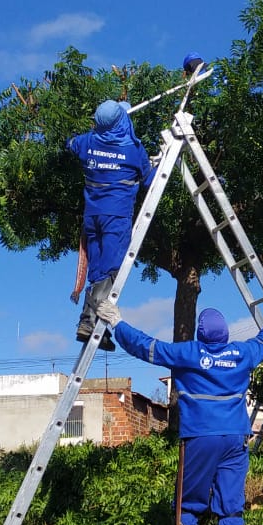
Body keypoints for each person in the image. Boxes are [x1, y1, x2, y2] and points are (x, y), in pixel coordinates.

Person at [96, 296, 263, 525]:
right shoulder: (242, 354)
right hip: (236, 437)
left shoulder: (188, 353)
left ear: (200, 331)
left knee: (189, 497)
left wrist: (117, 323)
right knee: (231, 498)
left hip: (201, 436)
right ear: (225, 333)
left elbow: (147, 347)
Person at [66, 99, 156, 351]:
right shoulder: (132, 149)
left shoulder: (87, 142)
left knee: (98, 269)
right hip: (116, 217)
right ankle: (92, 320)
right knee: (112, 269)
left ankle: (90, 324)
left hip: (92, 216)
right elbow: (149, 180)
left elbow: (70, 144)